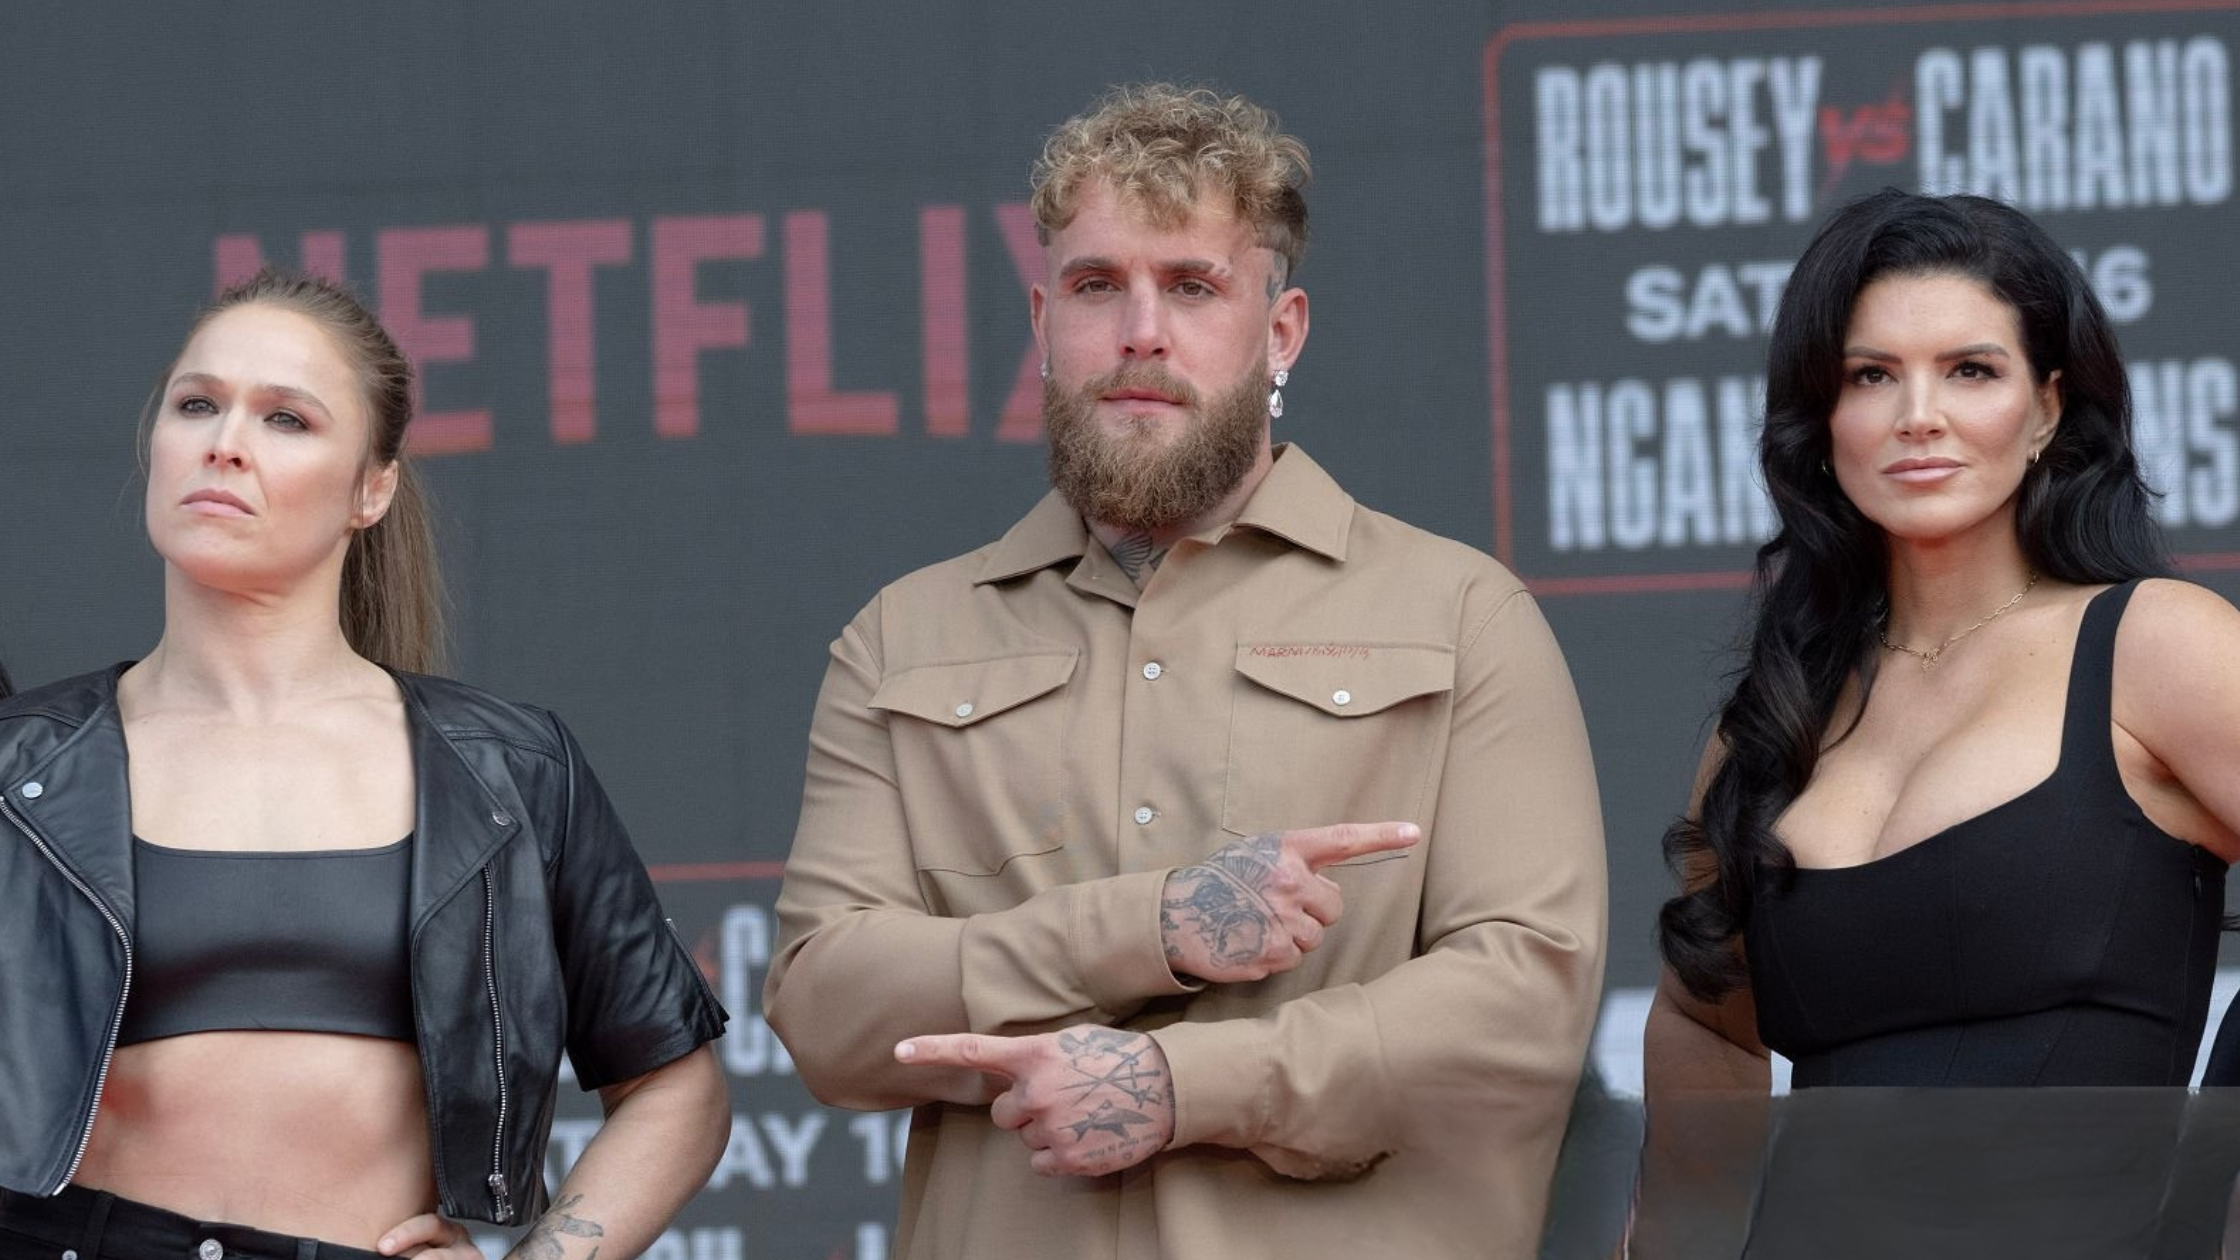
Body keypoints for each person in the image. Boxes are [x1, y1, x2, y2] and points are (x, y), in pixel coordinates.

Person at [765, 83, 1607, 1259]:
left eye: (1192, 286)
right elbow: (825, 1008)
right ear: (1042, 321)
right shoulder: (899, 640)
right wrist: (1147, 927)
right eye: (1096, 285)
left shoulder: (1463, 616)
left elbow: (1524, 1009)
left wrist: (1181, 1082)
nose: (1139, 332)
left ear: (1281, 331)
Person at [0, 270, 731, 1260]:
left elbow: (673, 1088)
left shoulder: (508, 769)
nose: (225, 442)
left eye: (287, 419)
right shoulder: (20, 766)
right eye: (197, 403)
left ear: (372, 487)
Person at [1645, 188, 2240, 1093]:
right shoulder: (1774, 721)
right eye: (1870, 375)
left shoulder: (2155, 645)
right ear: (1824, 420)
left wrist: (2218, 1171)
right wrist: (1674, 1236)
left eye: (1970, 370)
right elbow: (1707, 1027)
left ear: (2045, 408)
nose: (1917, 415)